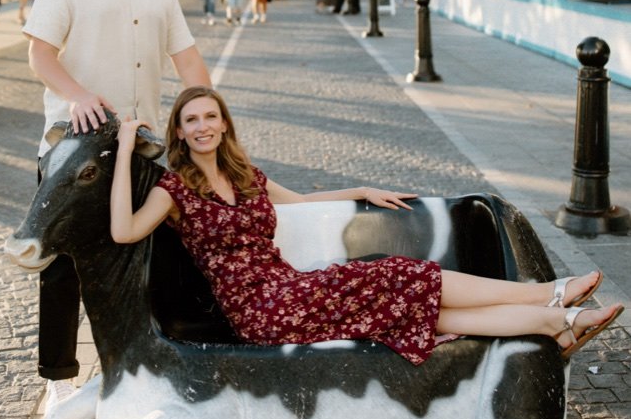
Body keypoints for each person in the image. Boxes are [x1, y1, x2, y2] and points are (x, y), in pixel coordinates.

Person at [109, 87, 622, 364]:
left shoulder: (247, 176)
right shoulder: (173, 191)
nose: (202, 127)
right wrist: (126, 151)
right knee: (402, 277)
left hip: (293, 290)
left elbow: (304, 200)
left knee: (421, 311)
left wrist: (359, 192)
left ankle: (555, 322)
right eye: (191, 120)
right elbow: (123, 231)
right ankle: (549, 294)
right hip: (262, 312)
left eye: (210, 117)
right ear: (179, 130)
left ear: (224, 125)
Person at [23, 0, 211, 418]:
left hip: (141, 148)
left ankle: (138, 365)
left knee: (144, 257)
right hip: (74, 149)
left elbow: (189, 61)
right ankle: (58, 377)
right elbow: (40, 54)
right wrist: (79, 95)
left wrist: (206, 116)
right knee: (62, 263)